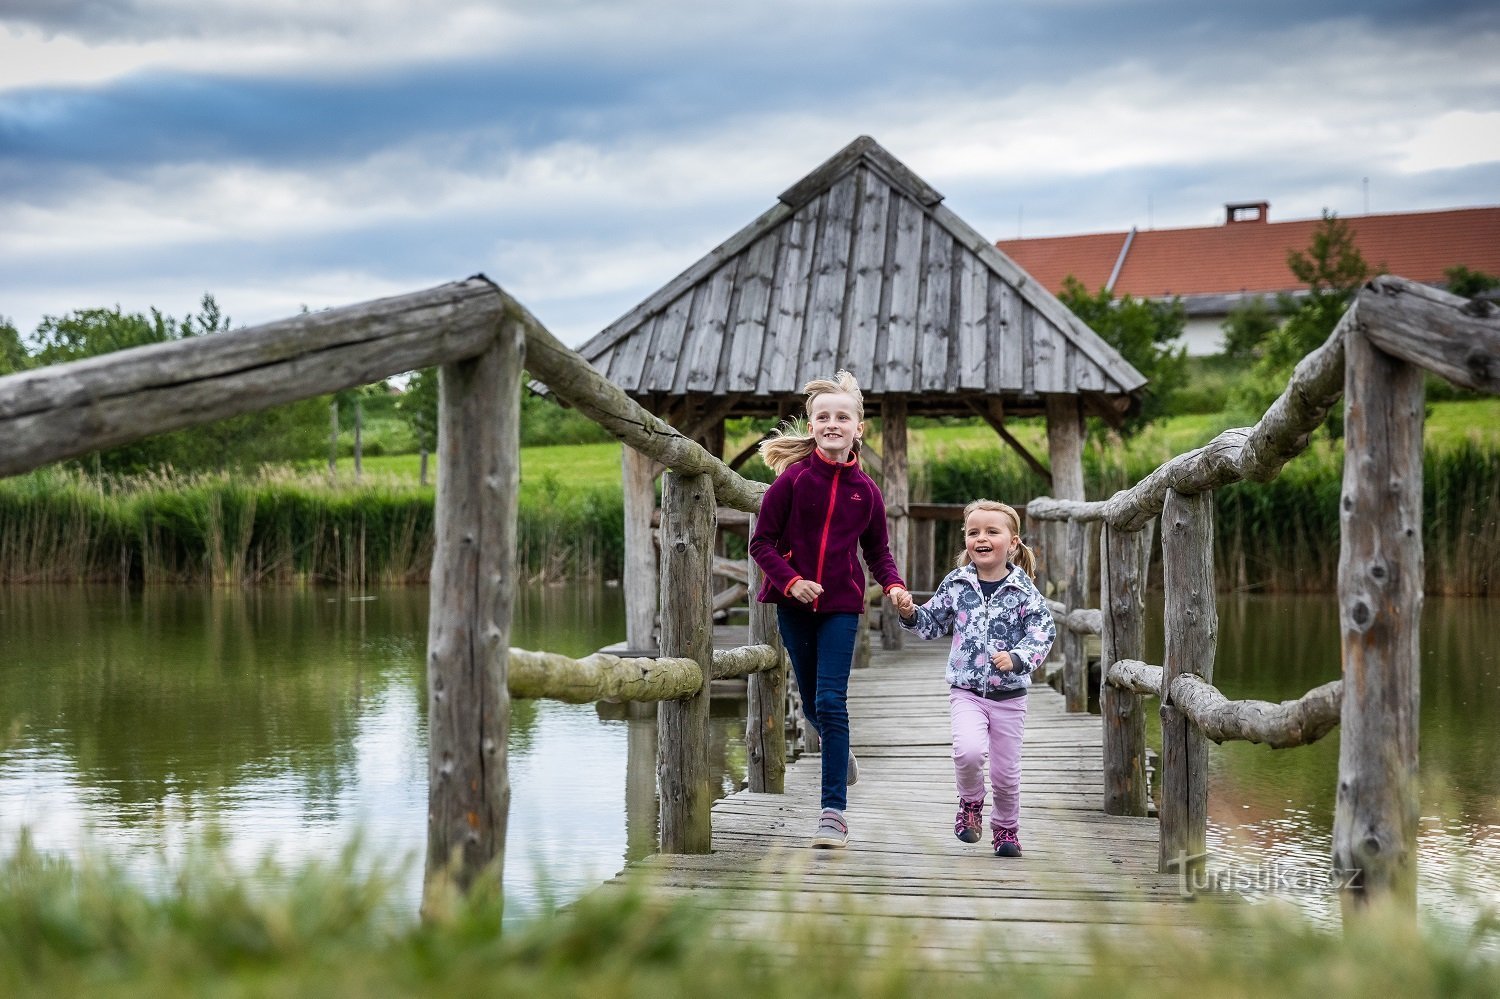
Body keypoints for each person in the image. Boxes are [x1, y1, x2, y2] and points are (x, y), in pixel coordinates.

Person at [749, 370, 910, 849]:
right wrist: (791, 581)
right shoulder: (794, 481)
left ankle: (833, 813)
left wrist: (895, 586)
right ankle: (842, 756)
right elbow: (762, 543)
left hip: (841, 605)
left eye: (843, 417)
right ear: (812, 425)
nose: (832, 423)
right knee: (810, 697)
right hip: (792, 605)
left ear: (859, 428)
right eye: (823, 417)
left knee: (829, 701)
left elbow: (878, 552)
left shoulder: (868, 493)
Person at [892, 499, 1055, 858]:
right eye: (973, 532)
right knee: (967, 752)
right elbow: (931, 623)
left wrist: (1017, 658)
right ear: (966, 540)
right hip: (966, 691)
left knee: (1006, 775)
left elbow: (1043, 631)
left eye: (991, 532)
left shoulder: (1023, 589)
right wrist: (909, 613)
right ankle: (970, 804)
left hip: (1010, 697)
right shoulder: (957, 583)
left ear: (1012, 543)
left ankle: (1006, 831)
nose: (981, 538)